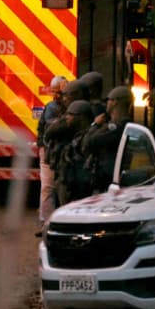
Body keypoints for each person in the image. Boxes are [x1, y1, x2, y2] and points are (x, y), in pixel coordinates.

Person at [84, 85, 133, 194]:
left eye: (108, 100)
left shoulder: (116, 128)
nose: (107, 103)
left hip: (108, 183)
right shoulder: (122, 125)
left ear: (115, 102)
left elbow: (88, 142)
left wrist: (95, 125)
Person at [50, 100, 94, 206]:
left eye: (70, 114)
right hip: (71, 188)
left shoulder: (89, 138)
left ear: (81, 117)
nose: (66, 117)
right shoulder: (77, 135)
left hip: (80, 193)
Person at [38, 76, 68, 227]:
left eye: (60, 93)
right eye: (55, 92)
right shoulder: (51, 108)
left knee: (59, 187)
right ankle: (46, 222)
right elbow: (48, 129)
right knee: (48, 187)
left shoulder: (69, 107)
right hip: (50, 152)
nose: (57, 96)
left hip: (60, 152)